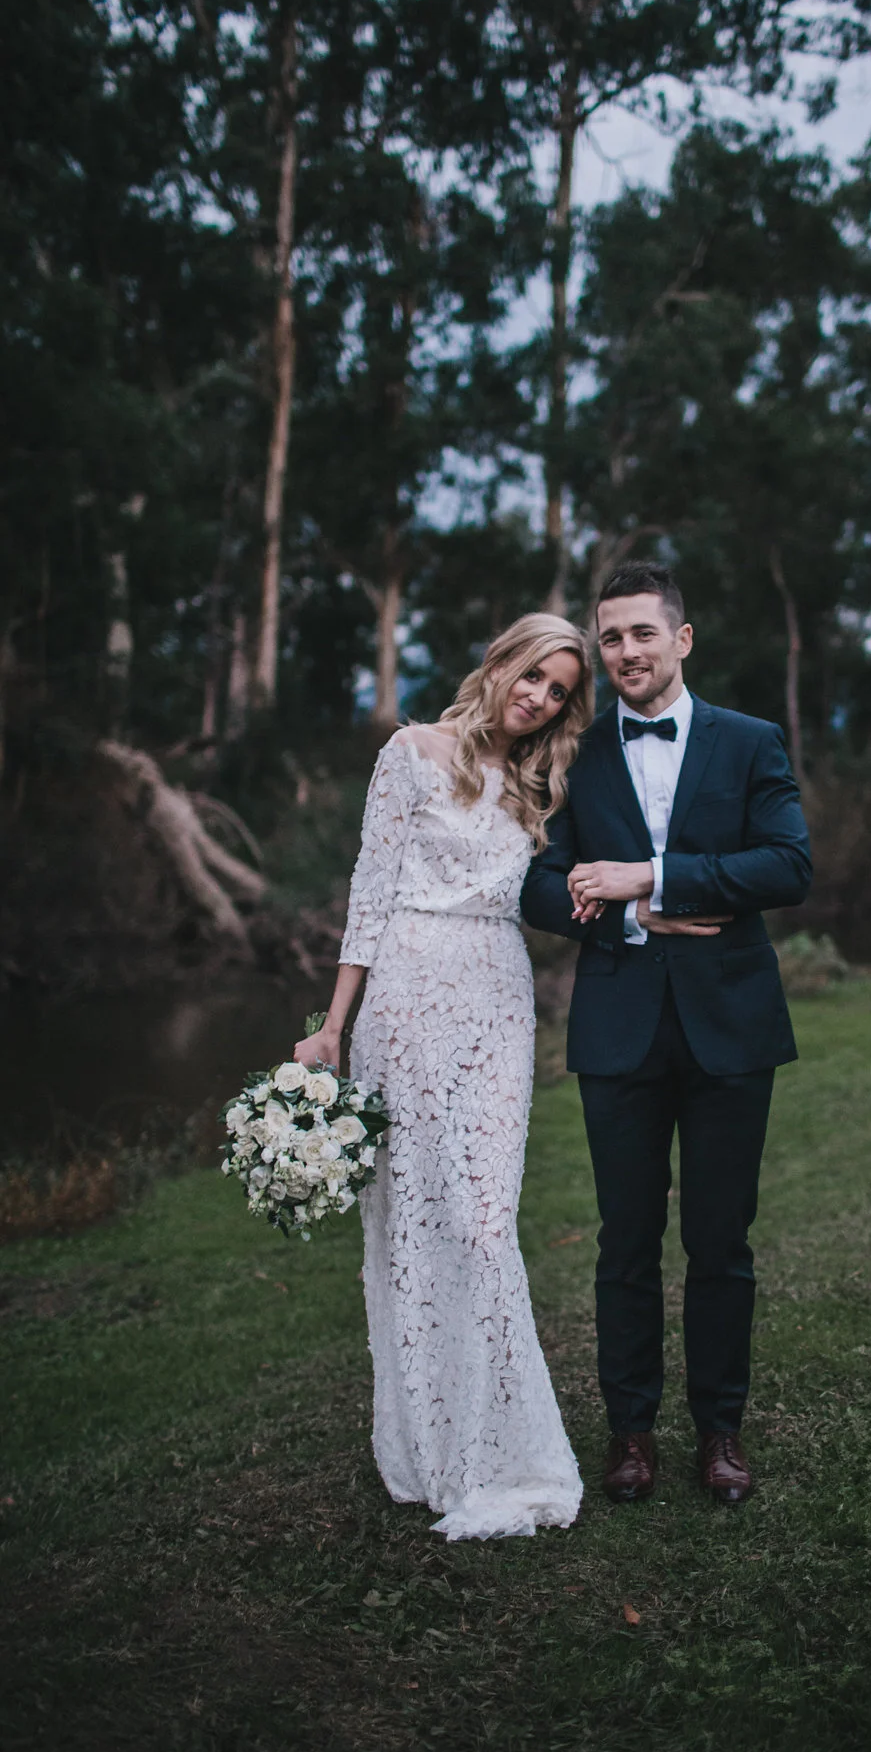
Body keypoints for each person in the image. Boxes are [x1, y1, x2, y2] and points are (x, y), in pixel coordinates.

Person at [293, 614, 592, 1540]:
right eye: (532, 675)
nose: (539, 698)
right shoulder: (411, 752)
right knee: (417, 1220)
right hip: (409, 995)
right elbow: (369, 891)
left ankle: (501, 1451)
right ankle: (433, 1446)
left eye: (557, 691)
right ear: (500, 664)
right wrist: (332, 1027)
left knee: (484, 1220)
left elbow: (551, 887)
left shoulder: (539, 782)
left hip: (498, 997)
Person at [521, 564, 811, 1507]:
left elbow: (788, 864)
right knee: (625, 1242)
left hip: (732, 1026)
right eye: (610, 638)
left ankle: (721, 1432)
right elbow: (539, 884)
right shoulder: (573, 752)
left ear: (682, 639)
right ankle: (631, 1433)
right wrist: (623, 915)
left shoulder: (752, 741)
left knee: (721, 1242)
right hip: (619, 1028)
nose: (626, 651)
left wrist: (653, 877)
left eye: (642, 633)